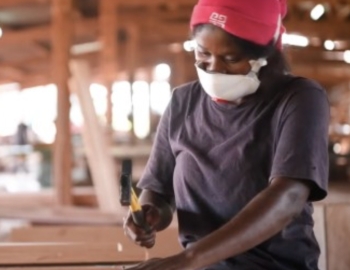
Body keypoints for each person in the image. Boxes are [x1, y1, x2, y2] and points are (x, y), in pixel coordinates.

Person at [123, 0, 330, 269]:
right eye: (203, 53)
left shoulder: (298, 99)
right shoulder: (182, 102)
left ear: (266, 56)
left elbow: (288, 196)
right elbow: (158, 191)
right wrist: (150, 215)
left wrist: (189, 259)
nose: (214, 68)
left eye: (231, 59)